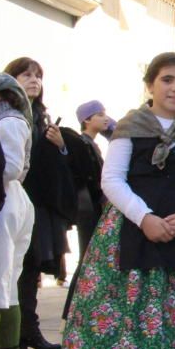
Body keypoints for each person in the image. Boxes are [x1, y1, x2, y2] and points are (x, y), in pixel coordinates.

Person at [30, 52, 175, 349]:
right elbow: (112, 180)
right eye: (167, 80)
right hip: (131, 230)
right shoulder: (131, 126)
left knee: (172, 326)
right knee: (121, 321)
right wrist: (144, 218)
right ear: (150, 85)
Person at [4, 57, 76, 349]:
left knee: (31, 269)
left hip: (38, 206)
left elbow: (56, 164)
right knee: (11, 271)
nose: (34, 80)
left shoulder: (41, 117)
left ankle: (27, 332)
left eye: (38, 76)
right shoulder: (8, 116)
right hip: (12, 200)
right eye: (26, 74)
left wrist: (59, 145)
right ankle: (12, 339)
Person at [0, 73, 34, 349]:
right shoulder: (11, 118)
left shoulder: (7, 121)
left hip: (4, 201)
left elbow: (9, 168)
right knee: (6, 283)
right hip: (12, 201)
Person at [60, 100, 113, 320]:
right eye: (100, 114)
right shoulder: (80, 144)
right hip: (87, 209)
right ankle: (72, 312)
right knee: (87, 260)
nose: (106, 118)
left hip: (91, 207)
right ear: (87, 120)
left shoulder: (92, 144)